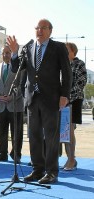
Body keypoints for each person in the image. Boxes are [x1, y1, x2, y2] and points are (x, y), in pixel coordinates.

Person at [7, 19, 72, 184]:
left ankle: (51, 172)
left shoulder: (58, 48)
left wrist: (64, 95)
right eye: (37, 28)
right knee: (34, 136)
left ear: (50, 30)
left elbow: (66, 72)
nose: (39, 31)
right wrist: (14, 53)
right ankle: (37, 170)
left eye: (43, 28)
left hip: (51, 98)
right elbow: (16, 68)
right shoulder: (28, 47)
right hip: (32, 98)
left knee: (51, 137)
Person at [0, 46, 24, 164]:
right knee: (1, 132)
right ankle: (2, 154)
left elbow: (21, 85)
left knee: (17, 133)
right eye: (4, 53)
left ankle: (16, 154)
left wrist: (12, 96)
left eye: (8, 53)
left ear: (12, 54)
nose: (6, 55)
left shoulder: (18, 68)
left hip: (15, 105)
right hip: (0, 105)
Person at [63, 42, 87, 171]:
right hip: (62, 103)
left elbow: (80, 84)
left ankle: (72, 159)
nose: (64, 52)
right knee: (64, 132)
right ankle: (69, 159)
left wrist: (66, 98)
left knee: (70, 130)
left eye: (66, 50)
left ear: (73, 51)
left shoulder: (79, 64)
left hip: (74, 101)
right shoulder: (61, 64)